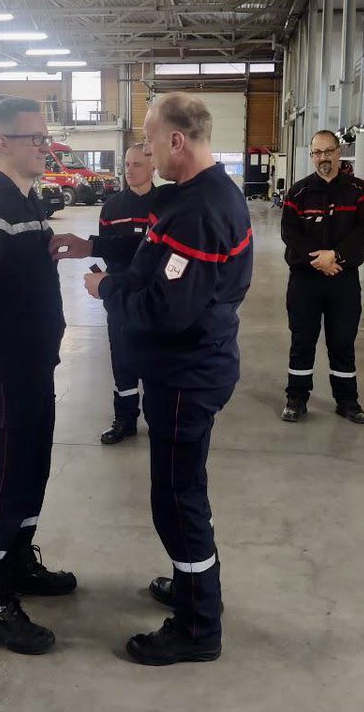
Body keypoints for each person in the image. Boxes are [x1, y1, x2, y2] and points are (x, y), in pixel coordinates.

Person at [51, 93, 253, 666]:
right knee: (183, 489)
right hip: (191, 366)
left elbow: (167, 309)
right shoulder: (195, 196)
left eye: (148, 136)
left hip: (187, 374)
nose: (141, 148)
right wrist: (92, 246)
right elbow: (148, 249)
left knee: (176, 498)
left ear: (177, 141)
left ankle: (198, 626)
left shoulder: (199, 210)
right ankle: (192, 585)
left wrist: (103, 289)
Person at [0, 97, 76, 657]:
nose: (44, 147)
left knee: (33, 464)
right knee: (2, 472)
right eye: (35, 139)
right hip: (5, 366)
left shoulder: (28, 202)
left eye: (45, 138)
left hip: (35, 362)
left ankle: (19, 560)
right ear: (2, 145)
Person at [280, 129, 364, 425]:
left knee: (342, 342)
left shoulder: (359, 191)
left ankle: (347, 401)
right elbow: (289, 233)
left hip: (343, 280)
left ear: (339, 152)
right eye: (317, 153)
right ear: (312, 156)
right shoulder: (297, 192)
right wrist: (319, 259)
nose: (323, 157)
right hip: (305, 280)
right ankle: (296, 398)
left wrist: (336, 257)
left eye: (328, 151)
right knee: (302, 340)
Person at [96, 142, 158, 445]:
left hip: (156, 294)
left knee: (157, 356)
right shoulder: (112, 208)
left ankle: (159, 418)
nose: (129, 171)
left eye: (137, 165)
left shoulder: (167, 204)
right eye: (126, 165)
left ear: (152, 167)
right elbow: (108, 250)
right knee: (121, 357)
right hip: (120, 293)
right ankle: (125, 418)